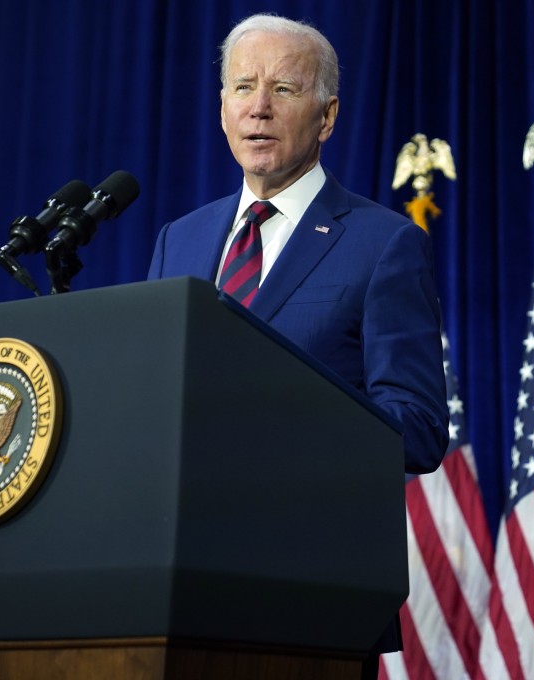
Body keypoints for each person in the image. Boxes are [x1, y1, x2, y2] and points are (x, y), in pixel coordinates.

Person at [146, 12, 449, 672]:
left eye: (283, 89)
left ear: (327, 116)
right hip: (175, 590)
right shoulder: (179, 240)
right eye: (243, 86)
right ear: (222, 107)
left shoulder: (383, 244)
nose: (258, 107)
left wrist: (281, 416)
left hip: (311, 596)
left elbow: (420, 428)